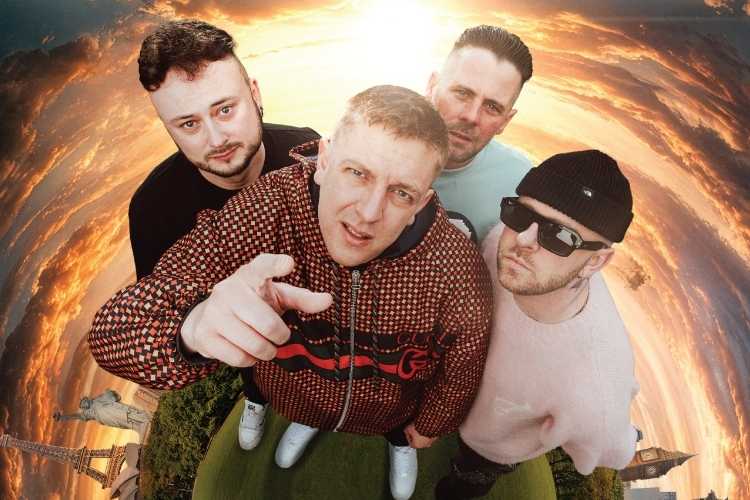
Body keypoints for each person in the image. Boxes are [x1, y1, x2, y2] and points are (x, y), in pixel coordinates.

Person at [89, 85, 492, 500]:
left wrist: (429, 425)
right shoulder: (268, 209)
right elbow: (111, 333)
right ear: (325, 161)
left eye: (401, 193)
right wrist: (191, 327)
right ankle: (310, 422)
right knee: (309, 413)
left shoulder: (455, 268)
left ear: (420, 204)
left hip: (390, 410)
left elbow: (463, 364)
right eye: (357, 173)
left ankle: (397, 444)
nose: (369, 213)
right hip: (298, 396)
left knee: (397, 431)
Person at [128, 20, 319, 451]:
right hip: (240, 341)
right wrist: (197, 322)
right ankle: (256, 399)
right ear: (168, 128)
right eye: (188, 124)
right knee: (251, 363)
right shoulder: (152, 210)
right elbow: (159, 309)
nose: (216, 139)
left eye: (225, 110)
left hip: (315, 308)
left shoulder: (306, 150)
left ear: (255, 94)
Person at [435, 150, 640, 499]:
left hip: (490, 445)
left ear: (595, 262)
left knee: (463, 484)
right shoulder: (503, 241)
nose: (523, 240)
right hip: (447, 391)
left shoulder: (595, 390)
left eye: (559, 237)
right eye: (521, 214)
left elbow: (614, 448)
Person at [427, 25, 534, 243]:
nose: (471, 116)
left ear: (505, 121)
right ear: (432, 87)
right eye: (462, 93)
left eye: (492, 107)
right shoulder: (369, 142)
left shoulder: (521, 186)